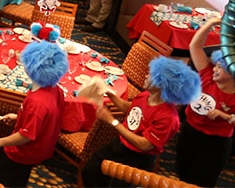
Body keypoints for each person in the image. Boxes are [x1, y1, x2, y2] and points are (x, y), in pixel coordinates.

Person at [81, 57, 201, 187]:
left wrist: (113, 122)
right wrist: (109, 93)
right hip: (120, 145)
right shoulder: (146, 95)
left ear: (161, 84)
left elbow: (144, 145)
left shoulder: (168, 118)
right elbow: (131, 108)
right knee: (91, 171)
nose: (146, 76)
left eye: (151, 75)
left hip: (136, 158)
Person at [0, 32, 69, 187]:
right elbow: (43, 120)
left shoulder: (37, 102)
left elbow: (26, 136)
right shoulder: (55, 90)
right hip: (39, 150)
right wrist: (18, 116)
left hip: (22, 153)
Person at [175, 16, 235, 186]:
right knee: (183, 174)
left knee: (200, 182)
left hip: (215, 144)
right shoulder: (207, 75)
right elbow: (194, 46)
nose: (215, 69)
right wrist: (211, 23)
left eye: (221, 67)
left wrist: (226, 117)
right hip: (190, 131)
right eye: (216, 64)